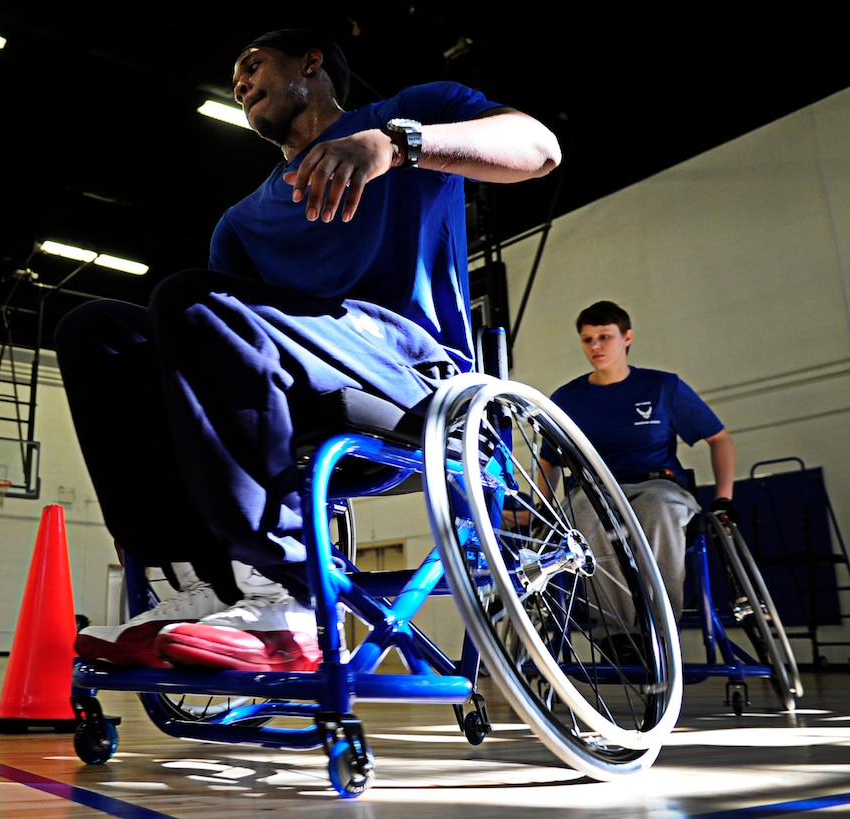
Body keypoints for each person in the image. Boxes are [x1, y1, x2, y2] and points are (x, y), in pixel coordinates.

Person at [54, 28, 561, 672]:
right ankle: (201, 584)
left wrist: (398, 144)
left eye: (254, 64)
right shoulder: (242, 223)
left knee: (193, 298)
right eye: (236, 76)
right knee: (98, 330)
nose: (239, 83)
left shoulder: (403, 117)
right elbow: (215, 353)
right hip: (303, 402)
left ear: (310, 64)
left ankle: (290, 595)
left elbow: (541, 150)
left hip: (414, 379)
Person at [538, 300, 737, 645]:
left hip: (657, 484)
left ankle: (660, 631)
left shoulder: (662, 388)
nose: (596, 347)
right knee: (584, 516)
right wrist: (540, 505)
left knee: (656, 511)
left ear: (627, 338)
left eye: (605, 337)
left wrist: (724, 498)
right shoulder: (568, 399)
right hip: (595, 490)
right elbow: (548, 461)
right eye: (587, 340)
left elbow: (719, 438)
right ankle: (618, 635)